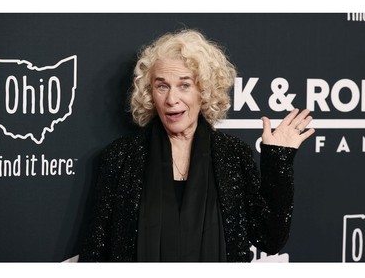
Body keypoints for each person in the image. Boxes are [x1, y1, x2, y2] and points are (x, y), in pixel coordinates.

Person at [79, 28, 315, 262]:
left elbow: (269, 239)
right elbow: (94, 254)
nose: (172, 99)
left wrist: (279, 160)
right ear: (150, 93)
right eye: (162, 86)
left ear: (204, 90)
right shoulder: (120, 158)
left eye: (184, 85)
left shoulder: (233, 156)